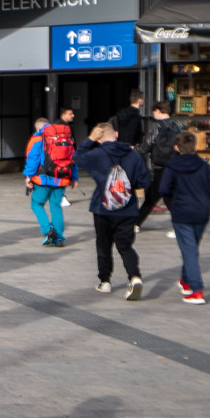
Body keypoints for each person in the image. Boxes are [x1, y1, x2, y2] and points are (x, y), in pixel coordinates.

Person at [77, 121, 147, 299]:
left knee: (103, 244)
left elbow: (77, 157)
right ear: (116, 134)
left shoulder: (97, 154)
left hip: (102, 207)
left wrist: (90, 139)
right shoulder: (133, 154)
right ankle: (134, 276)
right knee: (125, 245)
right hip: (128, 208)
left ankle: (105, 281)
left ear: (99, 138)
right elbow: (144, 181)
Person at [152, 132, 210, 303]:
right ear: (196, 147)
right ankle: (185, 280)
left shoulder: (172, 166)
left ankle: (197, 289)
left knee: (189, 250)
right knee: (191, 248)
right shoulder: (204, 166)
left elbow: (164, 189)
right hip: (202, 211)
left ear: (176, 148)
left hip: (182, 212)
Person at [135, 103, 184, 229]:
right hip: (173, 165)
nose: (153, 115)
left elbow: (147, 145)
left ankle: (181, 226)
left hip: (159, 165)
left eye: (153, 112)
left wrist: (134, 149)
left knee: (163, 197)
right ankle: (136, 222)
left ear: (157, 111)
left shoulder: (156, 126)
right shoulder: (176, 126)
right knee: (155, 195)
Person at [22, 118, 70, 247]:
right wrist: (74, 177)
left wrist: (28, 177)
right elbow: (72, 158)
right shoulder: (64, 138)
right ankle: (59, 238)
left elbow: (32, 160)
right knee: (56, 207)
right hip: (61, 179)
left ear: (38, 128)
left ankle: (47, 229)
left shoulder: (37, 139)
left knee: (36, 204)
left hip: (42, 180)